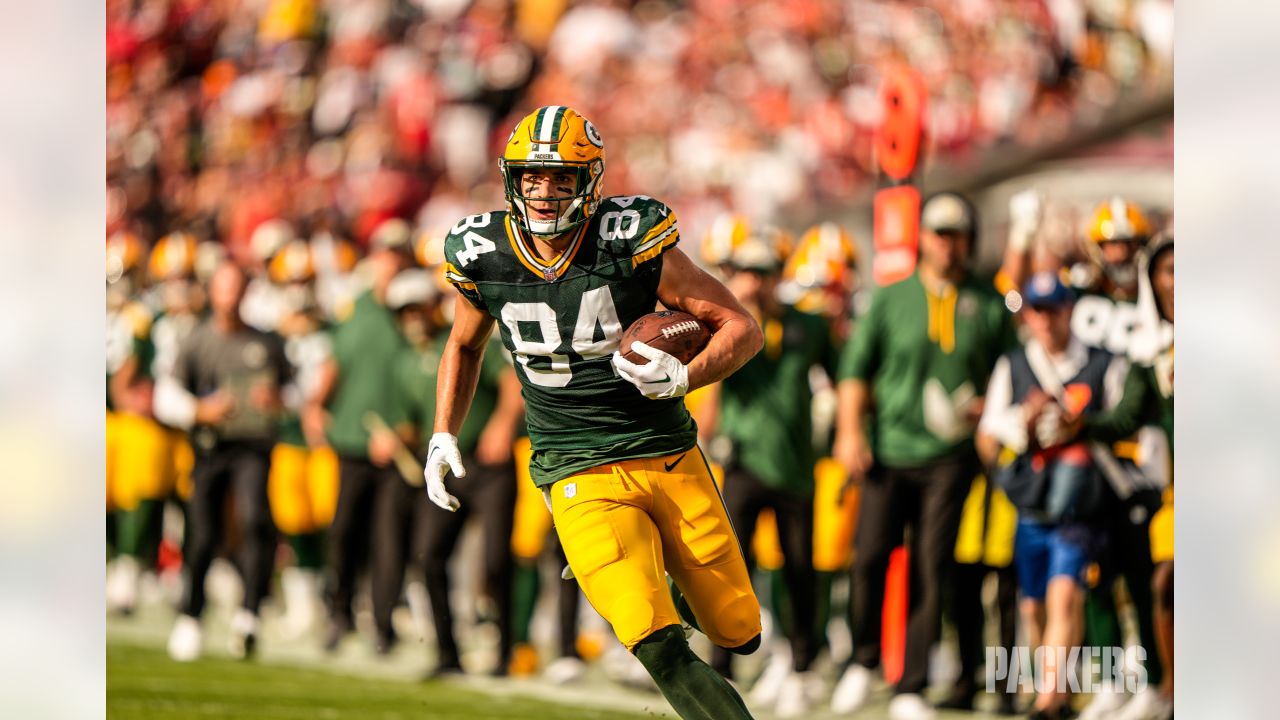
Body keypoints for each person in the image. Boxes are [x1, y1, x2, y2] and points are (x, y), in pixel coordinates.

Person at [424, 106, 764, 720]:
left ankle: (679, 587)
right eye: (531, 177)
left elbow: (742, 327)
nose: (543, 191)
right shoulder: (484, 251)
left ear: (591, 180)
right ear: (512, 179)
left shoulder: (628, 237)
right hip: (575, 466)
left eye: (560, 178)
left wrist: (686, 375)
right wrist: (443, 432)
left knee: (739, 629)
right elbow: (464, 344)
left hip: (668, 451)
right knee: (652, 640)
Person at [831, 192, 1017, 720]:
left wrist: (992, 408)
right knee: (868, 558)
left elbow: (1011, 372)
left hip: (952, 456)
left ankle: (910, 684)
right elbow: (854, 370)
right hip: (890, 449)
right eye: (939, 232)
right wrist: (850, 432)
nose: (948, 243)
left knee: (932, 568)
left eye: (957, 233)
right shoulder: (891, 297)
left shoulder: (989, 300)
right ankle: (863, 661)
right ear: (923, 238)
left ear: (970, 240)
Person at [698, 228, 838, 718]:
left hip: (796, 465)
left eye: (763, 272)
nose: (755, 282)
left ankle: (802, 665)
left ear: (779, 276)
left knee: (800, 570)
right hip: (742, 462)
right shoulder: (724, 324)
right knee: (732, 566)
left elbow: (841, 379)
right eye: (747, 272)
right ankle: (723, 664)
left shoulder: (810, 325)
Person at [978, 271, 1129, 719]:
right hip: (1032, 501)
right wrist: (1022, 426)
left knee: (1065, 595)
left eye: (1053, 309)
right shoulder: (1014, 364)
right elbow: (987, 438)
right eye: (1037, 310)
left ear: (1070, 310)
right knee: (1034, 605)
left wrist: (1079, 426)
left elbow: (1123, 425)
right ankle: (1052, 686)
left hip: (1082, 505)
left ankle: (1051, 698)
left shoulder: (1103, 362)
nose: (1045, 320)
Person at [1050, 236, 1174, 720]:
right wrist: (1079, 424)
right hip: (1167, 487)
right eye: (1167, 272)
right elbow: (1126, 416)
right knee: (1154, 583)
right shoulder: (1150, 349)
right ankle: (1163, 687)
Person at [386, 269, 526, 676]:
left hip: (488, 463)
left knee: (498, 561)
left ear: (434, 305)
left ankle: (505, 652)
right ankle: (448, 652)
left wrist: (502, 424)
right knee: (429, 556)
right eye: (403, 311)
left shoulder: (468, 336)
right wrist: (395, 438)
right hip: (447, 467)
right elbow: (409, 422)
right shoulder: (404, 361)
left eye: (417, 307)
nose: (412, 317)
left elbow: (509, 383)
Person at [155, 261, 290, 661]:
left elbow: (295, 390)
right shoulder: (196, 340)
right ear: (212, 292)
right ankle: (191, 615)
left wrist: (278, 401)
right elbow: (168, 395)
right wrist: (200, 410)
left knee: (254, 521)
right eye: (224, 287)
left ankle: (249, 615)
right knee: (203, 533)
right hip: (211, 448)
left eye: (237, 287)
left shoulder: (267, 342)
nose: (230, 296)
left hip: (253, 447)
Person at [304, 222, 418, 654]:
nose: (389, 262)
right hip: (353, 439)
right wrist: (317, 403)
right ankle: (340, 612)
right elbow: (337, 362)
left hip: (400, 447)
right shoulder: (356, 309)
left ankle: (384, 625)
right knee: (344, 532)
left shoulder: (417, 310)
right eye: (384, 254)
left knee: (388, 541)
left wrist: (405, 432)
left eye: (397, 253)